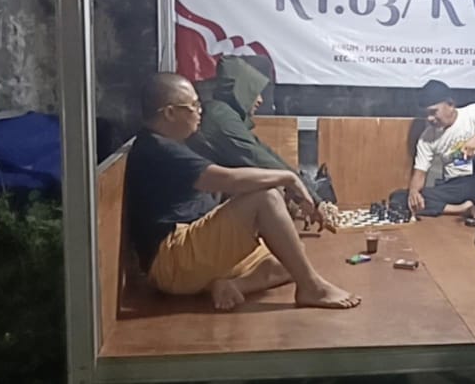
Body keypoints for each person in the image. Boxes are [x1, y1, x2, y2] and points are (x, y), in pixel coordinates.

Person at [125, 72, 361, 311]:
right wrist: (289, 178)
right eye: (194, 105)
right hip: (172, 258)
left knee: (292, 253)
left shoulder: (172, 142)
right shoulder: (157, 148)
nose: (200, 111)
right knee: (266, 198)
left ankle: (233, 285)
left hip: (189, 248)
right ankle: (312, 288)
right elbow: (225, 180)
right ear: (169, 113)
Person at [188, 56, 328, 207]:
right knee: (268, 195)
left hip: (202, 203)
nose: (260, 100)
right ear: (241, 91)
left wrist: (307, 191)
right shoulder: (220, 116)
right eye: (254, 92)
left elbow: (265, 153)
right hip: (195, 209)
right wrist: (313, 200)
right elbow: (259, 159)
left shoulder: (224, 114)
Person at [406, 80, 475, 221]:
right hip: (456, 187)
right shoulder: (427, 137)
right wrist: (413, 192)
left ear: (450, 104)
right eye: (426, 114)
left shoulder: (473, 111)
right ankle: (463, 209)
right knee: (402, 198)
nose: (430, 119)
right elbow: (420, 173)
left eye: (433, 112)